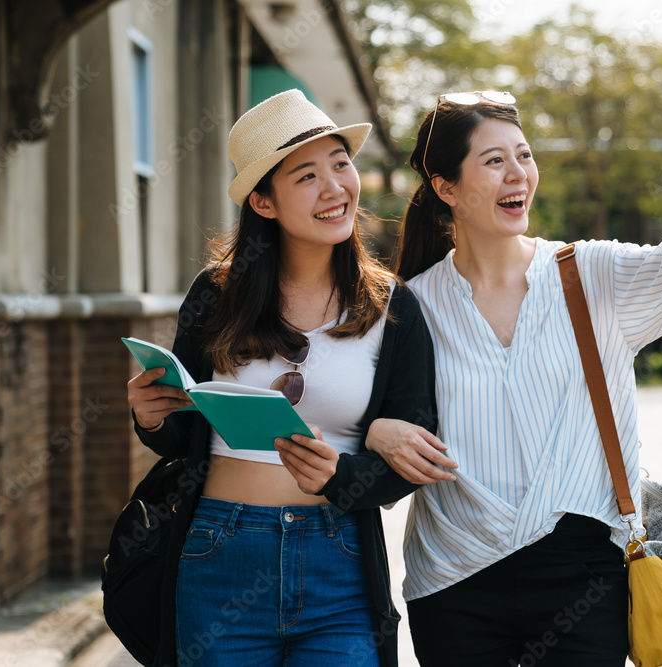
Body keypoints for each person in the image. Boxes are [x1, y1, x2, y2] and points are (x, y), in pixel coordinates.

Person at [367, 91, 662, 665]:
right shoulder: (412, 306)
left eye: (523, 155)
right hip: (454, 575)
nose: (517, 173)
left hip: (584, 573)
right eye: (493, 161)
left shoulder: (589, 275)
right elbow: (365, 408)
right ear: (446, 188)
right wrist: (376, 432)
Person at [127, 88, 448, 667]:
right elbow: (182, 435)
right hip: (219, 551)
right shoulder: (217, 294)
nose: (335, 188)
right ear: (264, 202)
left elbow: (408, 464)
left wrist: (341, 475)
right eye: (306, 176)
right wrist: (151, 417)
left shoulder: (392, 307)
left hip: (339, 562)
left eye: (340, 164)